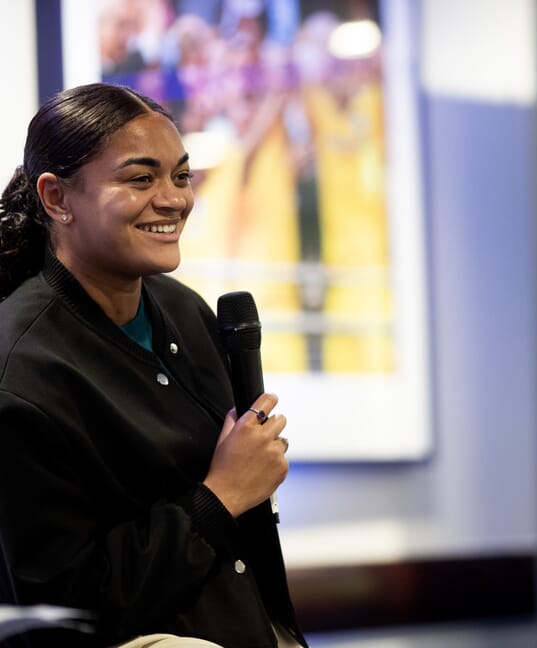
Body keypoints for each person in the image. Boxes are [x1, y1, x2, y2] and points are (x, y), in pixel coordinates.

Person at [0, 83, 307, 648]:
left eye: (181, 176)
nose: (174, 200)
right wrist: (221, 496)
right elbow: (64, 604)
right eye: (141, 179)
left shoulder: (184, 310)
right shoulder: (20, 369)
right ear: (56, 198)